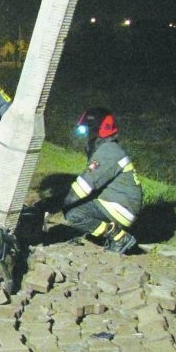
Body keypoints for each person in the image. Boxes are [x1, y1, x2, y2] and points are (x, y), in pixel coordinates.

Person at [61, 108, 142, 254]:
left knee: (74, 214)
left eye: (88, 129)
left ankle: (118, 236)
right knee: (73, 204)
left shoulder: (108, 151)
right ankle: (106, 233)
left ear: (101, 130)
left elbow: (85, 186)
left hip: (119, 208)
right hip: (117, 203)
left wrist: (62, 203)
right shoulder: (107, 148)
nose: (86, 134)